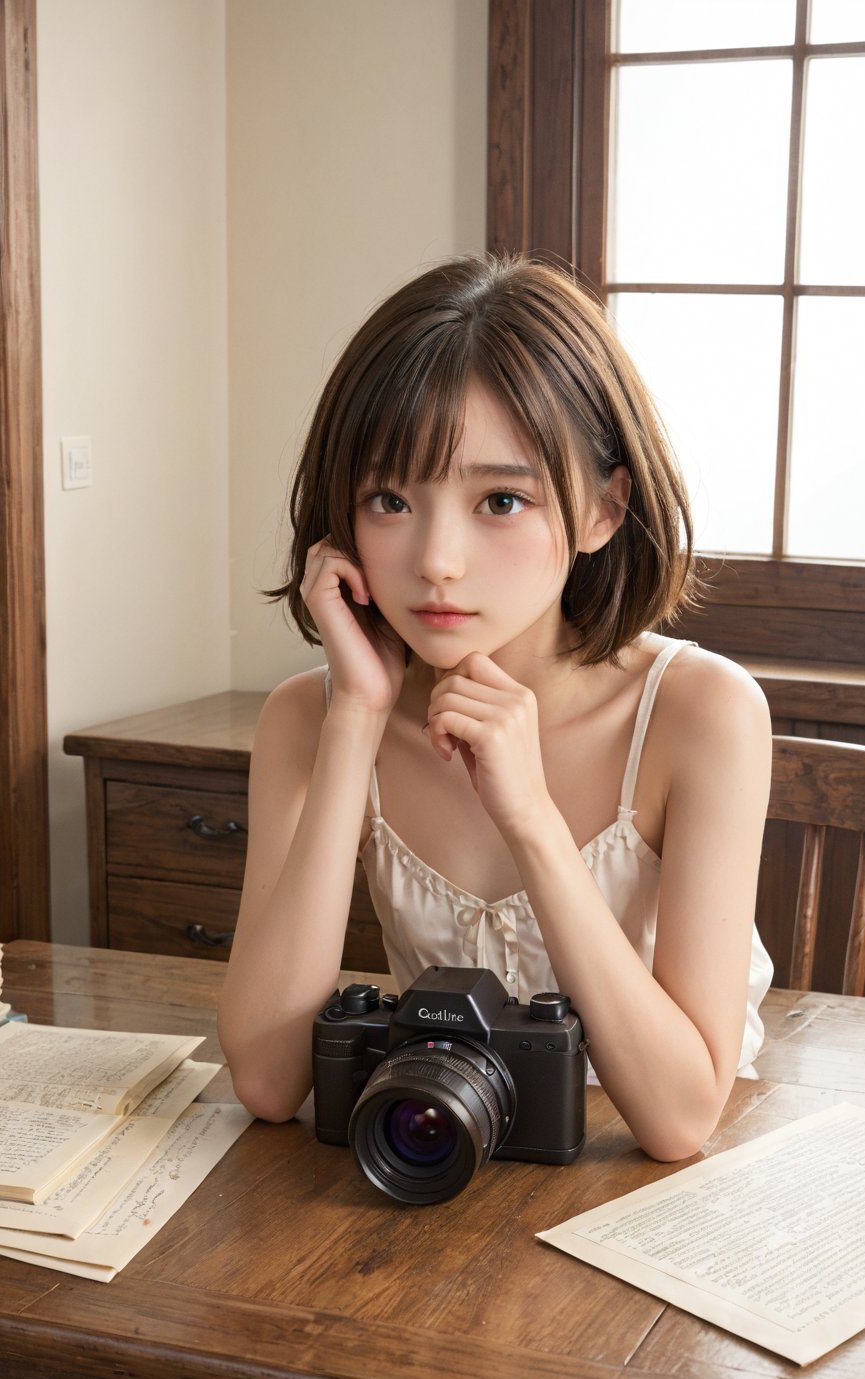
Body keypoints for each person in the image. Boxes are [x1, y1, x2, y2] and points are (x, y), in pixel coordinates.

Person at [218, 252, 773, 1162]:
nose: (437, 559)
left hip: (634, 1200)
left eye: (501, 500)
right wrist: (356, 716)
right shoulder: (305, 721)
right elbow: (271, 1082)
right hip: (429, 1160)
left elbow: (678, 1122)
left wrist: (532, 818)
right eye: (391, 499)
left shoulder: (701, 713)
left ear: (603, 509)